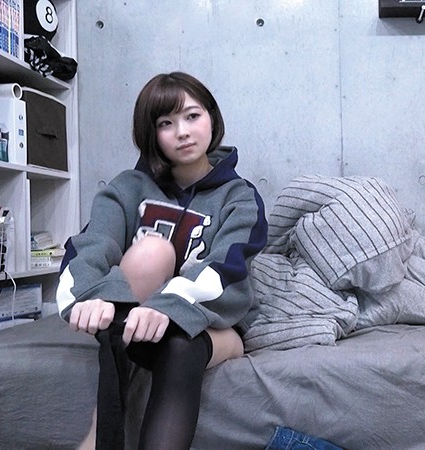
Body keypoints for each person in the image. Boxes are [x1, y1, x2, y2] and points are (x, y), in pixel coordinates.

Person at [56, 72, 268, 449]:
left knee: (180, 344)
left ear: (212, 118)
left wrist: (167, 307)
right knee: (153, 251)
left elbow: (228, 268)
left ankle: (94, 438)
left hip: (211, 325)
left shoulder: (239, 196)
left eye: (192, 116)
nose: (182, 132)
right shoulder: (128, 188)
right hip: (133, 321)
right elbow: (91, 246)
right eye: (165, 124)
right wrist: (89, 297)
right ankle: (101, 425)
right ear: (151, 134)